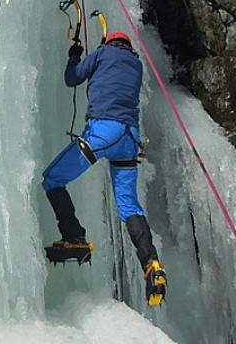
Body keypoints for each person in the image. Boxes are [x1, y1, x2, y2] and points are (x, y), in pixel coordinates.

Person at [42, 31, 167, 306]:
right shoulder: (135, 64)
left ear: (109, 43)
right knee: (129, 207)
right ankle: (152, 265)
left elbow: (72, 78)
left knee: (52, 179)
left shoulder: (102, 54)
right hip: (129, 138)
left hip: (104, 132)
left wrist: (75, 55)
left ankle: (74, 237)